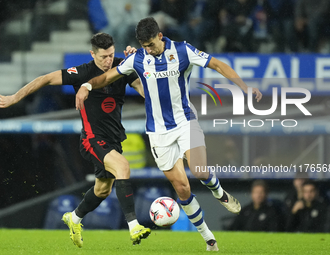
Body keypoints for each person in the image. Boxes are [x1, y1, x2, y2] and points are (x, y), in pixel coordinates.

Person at [75, 17, 262, 251]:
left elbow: (217, 64)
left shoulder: (183, 50)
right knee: (182, 188)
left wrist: (245, 87)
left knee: (200, 171)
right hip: (158, 132)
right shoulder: (139, 58)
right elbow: (108, 76)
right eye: (144, 46)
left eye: (151, 44)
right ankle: (209, 239)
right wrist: (87, 86)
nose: (148, 50)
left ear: (160, 37)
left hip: (185, 121)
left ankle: (219, 192)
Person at [0, 33, 151, 247]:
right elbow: (45, 79)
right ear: (92, 54)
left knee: (102, 189)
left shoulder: (121, 66)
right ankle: (134, 226)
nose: (108, 61)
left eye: (110, 55)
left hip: (114, 139)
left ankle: (75, 217)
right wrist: (15, 97)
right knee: (123, 167)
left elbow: (143, 90)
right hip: (92, 138)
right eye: (103, 57)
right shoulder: (82, 72)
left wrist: (140, 67)